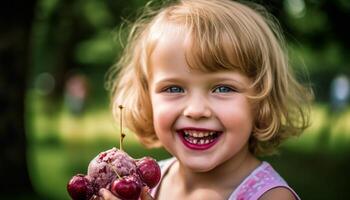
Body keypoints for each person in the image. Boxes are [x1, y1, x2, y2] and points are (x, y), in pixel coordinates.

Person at [102, 0, 313, 199]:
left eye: (222, 88)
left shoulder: (270, 196)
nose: (196, 110)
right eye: (174, 88)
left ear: (262, 99)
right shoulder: (147, 182)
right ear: (147, 98)